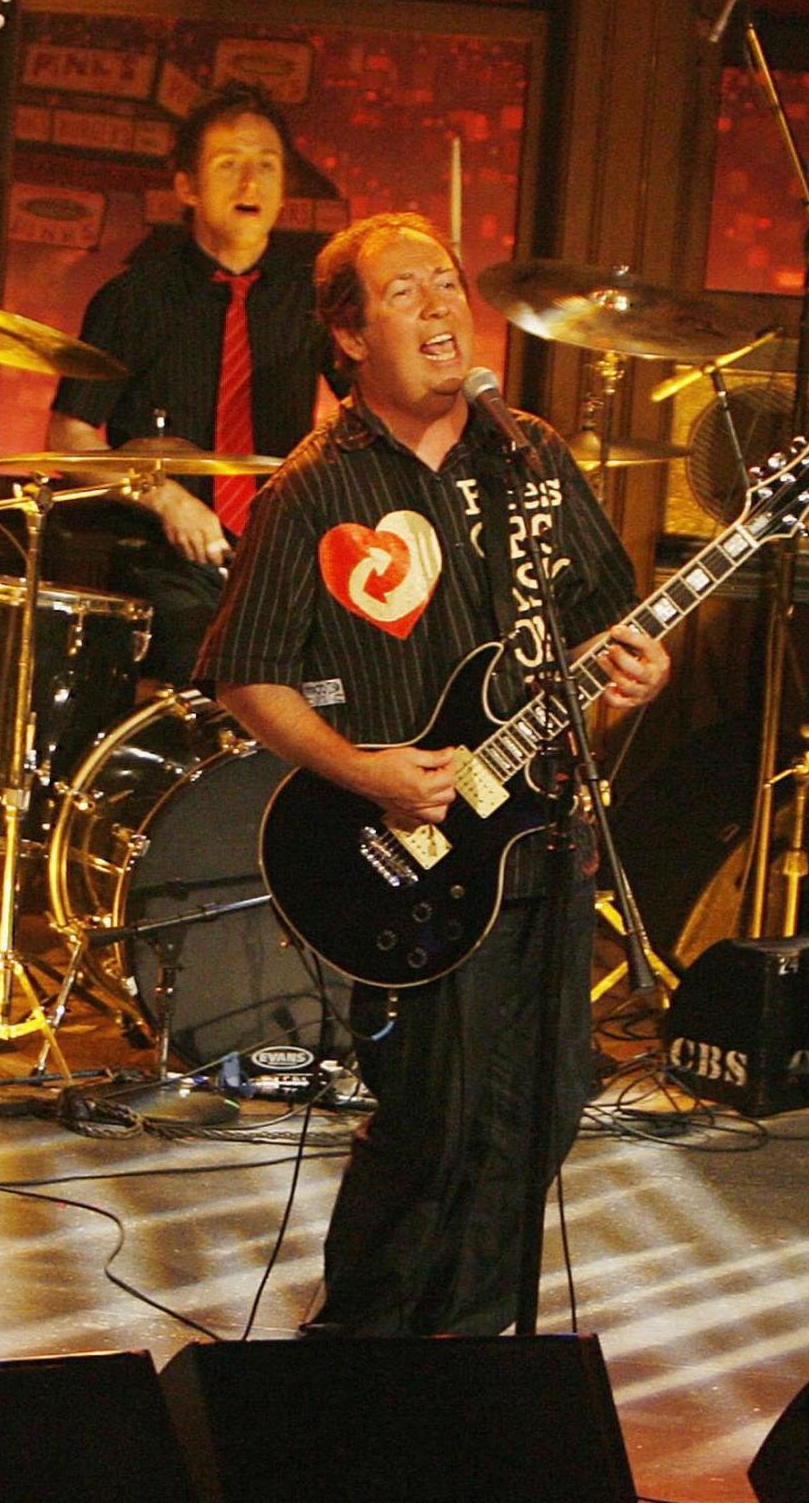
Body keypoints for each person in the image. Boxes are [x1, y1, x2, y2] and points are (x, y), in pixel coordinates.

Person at [195, 212, 670, 1335]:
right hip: (406, 854)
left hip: (540, 838)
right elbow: (241, 676)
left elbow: (612, 622)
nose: (440, 308)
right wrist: (363, 772)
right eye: (404, 292)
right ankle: (359, 1342)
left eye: (448, 285)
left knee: (545, 1105)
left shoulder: (531, 457)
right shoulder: (315, 488)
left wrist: (640, 668)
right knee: (437, 1114)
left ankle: (463, 1349)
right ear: (350, 335)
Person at [46, 81, 333, 685]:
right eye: (229, 166)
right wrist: (163, 496)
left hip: (282, 558)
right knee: (194, 634)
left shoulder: (313, 298)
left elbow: (367, 412)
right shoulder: (134, 297)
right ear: (187, 187)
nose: (251, 185)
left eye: (268, 166)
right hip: (164, 565)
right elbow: (70, 438)